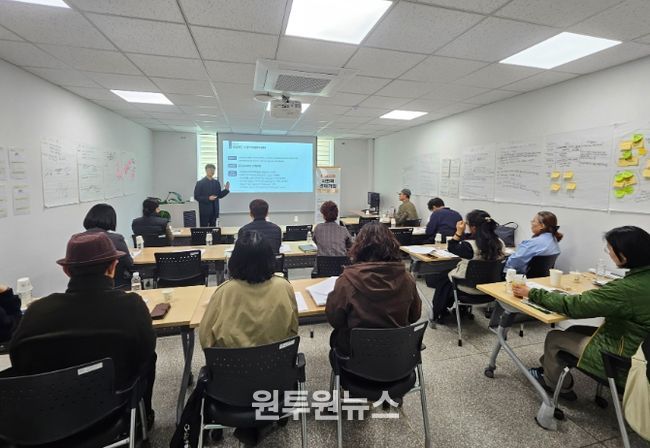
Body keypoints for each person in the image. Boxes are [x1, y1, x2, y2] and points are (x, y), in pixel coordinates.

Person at [9, 232, 157, 422]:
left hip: (49, 417)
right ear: (113, 267)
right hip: (114, 407)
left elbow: (18, 359)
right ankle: (144, 419)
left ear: (67, 271)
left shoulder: (36, 311)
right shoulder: (131, 305)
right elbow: (146, 350)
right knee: (150, 358)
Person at [513, 226, 650, 400]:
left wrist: (532, 293)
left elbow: (574, 306)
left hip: (625, 359)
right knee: (574, 330)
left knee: (554, 337)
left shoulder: (626, 289)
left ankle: (556, 385)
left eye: (609, 249)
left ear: (623, 255)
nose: (608, 253)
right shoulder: (640, 280)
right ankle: (550, 368)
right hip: (640, 346)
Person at [198, 230, 298, 445]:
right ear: (270, 259)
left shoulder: (224, 292)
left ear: (235, 261)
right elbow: (293, 332)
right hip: (276, 382)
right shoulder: (284, 287)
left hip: (230, 388)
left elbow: (206, 341)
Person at [326, 221, 421, 356]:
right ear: (392, 245)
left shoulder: (346, 281)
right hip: (398, 356)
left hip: (355, 357)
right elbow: (415, 316)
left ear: (359, 247)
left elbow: (335, 320)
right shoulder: (407, 278)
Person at [430, 209, 505, 323]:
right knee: (449, 277)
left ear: (473, 228)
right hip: (489, 288)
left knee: (443, 278)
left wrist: (458, 232)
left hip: (469, 288)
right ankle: (462, 309)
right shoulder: (500, 243)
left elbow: (452, 247)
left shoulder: (468, 246)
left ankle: (439, 312)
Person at [83, 203, 133, 287]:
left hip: (85, 288)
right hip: (115, 285)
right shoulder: (116, 239)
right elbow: (129, 263)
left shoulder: (77, 241)